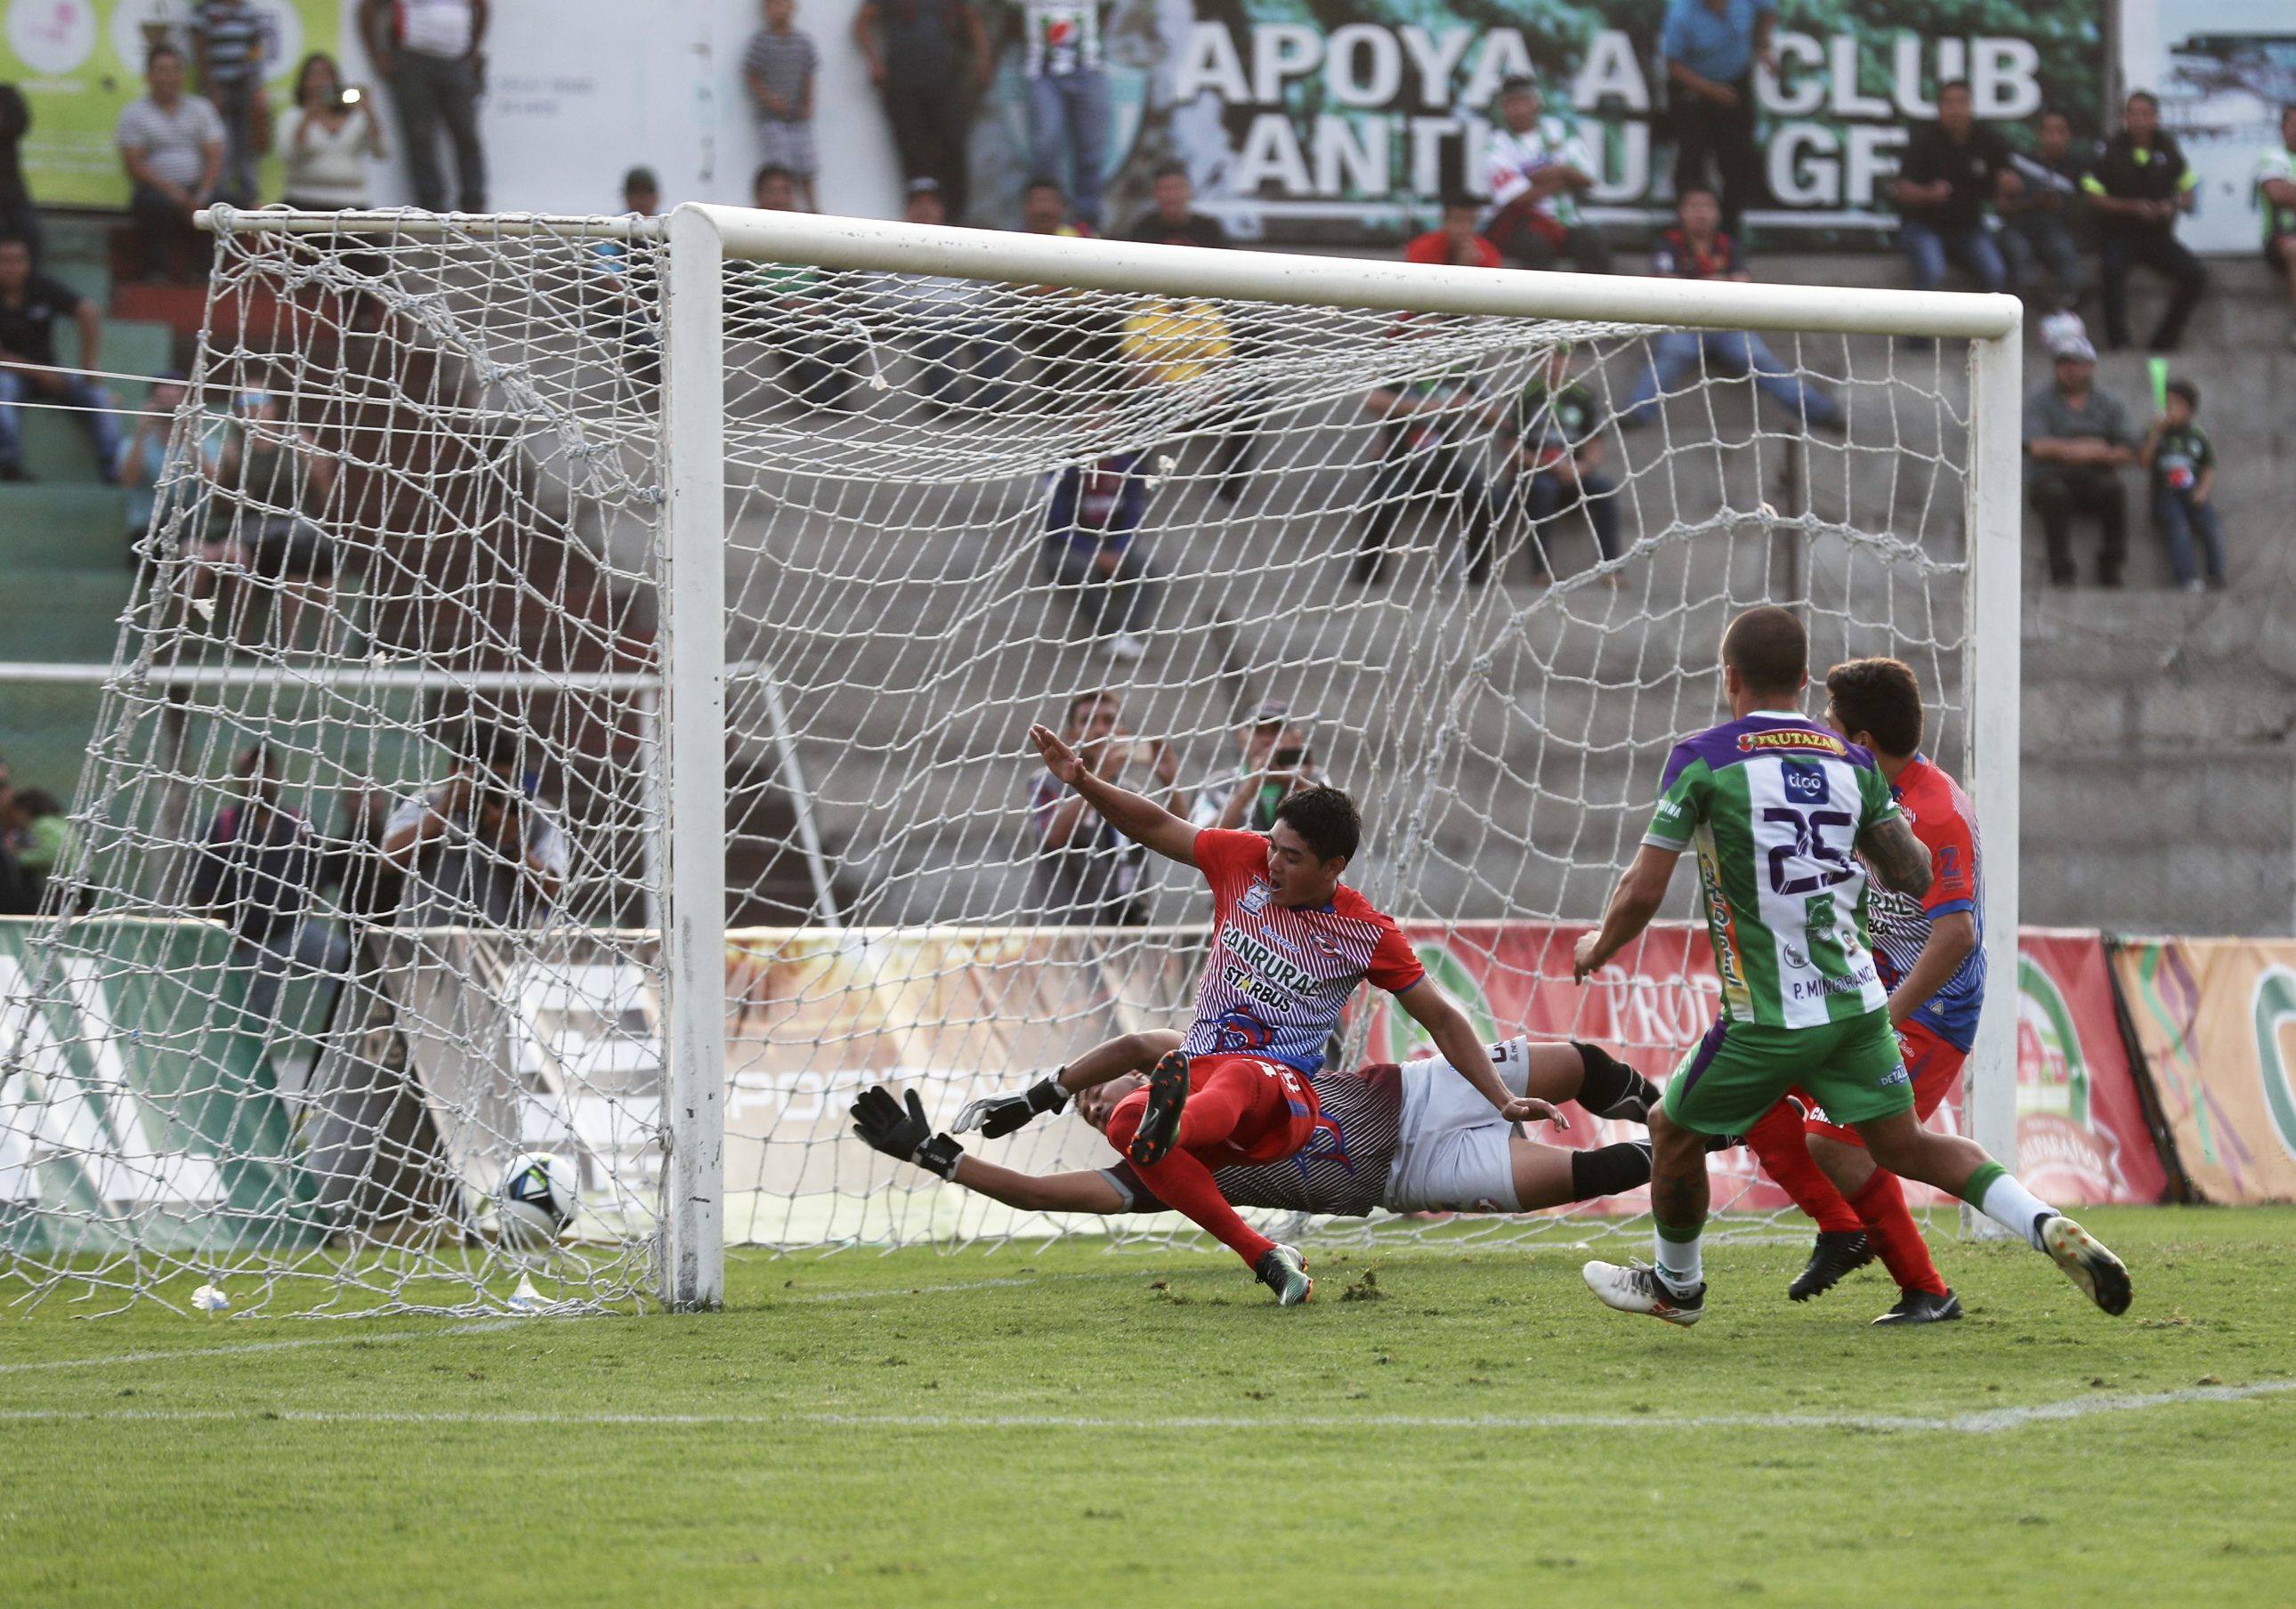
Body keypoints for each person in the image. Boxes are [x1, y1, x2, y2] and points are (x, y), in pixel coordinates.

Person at [1572, 605, 2131, 1326]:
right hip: (1859, 1007)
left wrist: (1598, 947)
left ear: (1729, 678)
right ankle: (2042, 1222)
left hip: (1769, 1015)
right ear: (1804, 680)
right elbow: (1911, 871)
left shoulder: (1703, 757)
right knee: (1907, 1145)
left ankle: (1677, 1288)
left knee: (1670, 1127)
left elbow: (1643, 888)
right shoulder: (1857, 763)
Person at [1014, 728, 1555, 1305]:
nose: (1271, 862)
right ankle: (1265, 1255)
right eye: (1272, 845)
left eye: (1290, 857)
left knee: (1244, 1074)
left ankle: (1172, 1126)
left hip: (1285, 1101)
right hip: (1203, 1079)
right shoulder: (1241, 860)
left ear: (1333, 866)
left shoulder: (1365, 931)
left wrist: (1501, 1098)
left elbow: (1444, 1020)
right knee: (1124, 1121)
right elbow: (1154, 827)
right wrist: (1084, 781)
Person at [1738, 657, 1984, 1324]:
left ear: (1863, 742)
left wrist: (1884, 1017)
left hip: (1928, 1010)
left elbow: (1956, 935)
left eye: (1832, 722)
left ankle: (1932, 1285)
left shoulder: (1934, 811)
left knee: (1841, 1145)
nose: (1822, 730)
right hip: (1859, 993)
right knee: (1750, 1092)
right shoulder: (1857, 792)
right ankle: (1843, 1230)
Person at [853, 1030, 1669, 1225]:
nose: (1102, 1105)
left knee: (1577, 1062)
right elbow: (1033, 1193)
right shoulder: (1152, 1174)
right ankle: (1705, 1140)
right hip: (1399, 1181)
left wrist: (1041, 1095)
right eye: (1093, 1113)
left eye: (1108, 1094)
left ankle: (1683, 1108)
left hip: (1411, 1094)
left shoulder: (1193, 1066)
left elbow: (1141, 1043)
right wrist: (933, 1155)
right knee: (1580, 1179)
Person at [1619, 187, 1842, 432]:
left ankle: (1823, 414)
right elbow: (1664, 282)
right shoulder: (1670, 244)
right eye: (1693, 206)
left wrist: (1698, 284)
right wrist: (1711, 282)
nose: (1700, 213)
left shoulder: (1727, 244)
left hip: (1726, 323)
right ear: (1681, 212)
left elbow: (1742, 283)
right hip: (1683, 322)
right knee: (1673, 355)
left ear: (1717, 213)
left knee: (1759, 360)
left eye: (1706, 206)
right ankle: (1635, 414)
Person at [190, 744, 348, 1023]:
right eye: (251, 771)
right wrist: (230, 937)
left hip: (296, 933)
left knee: (346, 966)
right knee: (247, 1020)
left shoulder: (298, 823)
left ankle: (357, 1035)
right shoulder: (223, 826)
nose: (259, 779)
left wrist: (303, 915)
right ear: (240, 779)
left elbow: (317, 878)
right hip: (248, 943)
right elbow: (202, 892)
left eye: (266, 770)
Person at [380, 724, 568, 929]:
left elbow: (551, 892)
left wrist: (511, 846)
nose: (487, 786)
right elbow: (390, 859)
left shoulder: (536, 814)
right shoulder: (426, 802)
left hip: (509, 946)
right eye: (480, 777)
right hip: (430, 943)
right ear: (454, 770)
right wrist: (443, 811)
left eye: (500, 780)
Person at [1357, 328, 1500, 586]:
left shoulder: (1457, 370)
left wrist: (1469, 404)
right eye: (1422, 330)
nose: (1428, 336)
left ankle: (1475, 580)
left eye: (1435, 330)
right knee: (1383, 504)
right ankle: (1366, 581)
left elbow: (1498, 414)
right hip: (1400, 463)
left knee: (1490, 501)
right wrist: (1429, 407)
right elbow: (1370, 398)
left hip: (1444, 468)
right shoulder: (1401, 367)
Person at [1025, 690, 1181, 925]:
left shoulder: (1133, 792)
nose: (1099, 730)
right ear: (1071, 736)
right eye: (1088, 721)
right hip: (1068, 932)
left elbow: (1179, 839)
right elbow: (1053, 837)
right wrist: (1100, 777)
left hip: (1128, 932)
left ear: (1122, 733)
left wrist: (1171, 783)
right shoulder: (1047, 783)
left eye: (1109, 721)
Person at [214, 388, 340, 649]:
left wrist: (323, 473)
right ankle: (281, 642)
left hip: (299, 523)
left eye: (261, 401)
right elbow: (220, 505)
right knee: (294, 561)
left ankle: (330, 642)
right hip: (257, 528)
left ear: (274, 407)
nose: (254, 409)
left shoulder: (298, 440)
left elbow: (325, 498)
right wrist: (238, 497)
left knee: (320, 560)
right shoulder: (234, 450)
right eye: (245, 403)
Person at [2082, 91, 2206, 352]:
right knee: (2111, 272)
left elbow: (2189, 194)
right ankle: (2120, 343)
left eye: (2145, 115)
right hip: (2119, 234)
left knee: (2196, 275)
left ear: (2156, 118)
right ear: (2125, 118)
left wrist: (2169, 205)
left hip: (2157, 236)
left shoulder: (2168, 149)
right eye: (2133, 115)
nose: (2139, 121)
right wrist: (2131, 207)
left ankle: (2164, 342)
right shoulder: (2109, 149)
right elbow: (2093, 196)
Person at [0, 235, 123, 484]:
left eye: (19, 260)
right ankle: (8, 463)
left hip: (51, 371)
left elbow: (88, 311)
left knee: (97, 396)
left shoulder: (40, 286)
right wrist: (43, 374)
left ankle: (113, 469)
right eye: (5, 261)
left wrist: (89, 363)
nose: (13, 267)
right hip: (11, 373)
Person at [855, 0, 987, 223]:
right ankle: (917, 218)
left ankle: (955, 217)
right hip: (903, 82)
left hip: (946, 79)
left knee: (954, 144)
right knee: (912, 150)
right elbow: (863, 21)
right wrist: (875, 62)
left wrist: (984, 58)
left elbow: (972, 18)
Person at [2024, 334, 2136, 587]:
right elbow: (2035, 446)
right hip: (2049, 475)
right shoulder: (2039, 399)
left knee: (2114, 491)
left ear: (2090, 367)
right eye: (2063, 364)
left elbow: (2130, 449)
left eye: (2075, 364)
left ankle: (2111, 565)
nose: (2069, 371)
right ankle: (2061, 572)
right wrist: (2090, 448)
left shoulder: (2108, 402)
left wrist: (2066, 448)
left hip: (2095, 477)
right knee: (2054, 495)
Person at [743, 164, 856, 410]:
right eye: (771, 191)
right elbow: (739, 291)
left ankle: (824, 398)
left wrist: (816, 306)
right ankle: (828, 401)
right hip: (769, 309)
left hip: (816, 305)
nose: (779, 198)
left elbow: (835, 279)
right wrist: (784, 305)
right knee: (781, 326)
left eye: (784, 190)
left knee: (853, 328)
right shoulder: (742, 232)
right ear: (758, 196)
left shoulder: (811, 230)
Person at [359, 0, 489, 213]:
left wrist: (472, 49)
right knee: (420, 137)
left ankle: (474, 207)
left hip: (455, 60)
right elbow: (369, 8)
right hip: (413, 60)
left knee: (467, 135)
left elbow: (482, 7)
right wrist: (377, 56)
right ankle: (432, 207)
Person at [1661, 0, 1774, 242]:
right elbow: (1672, 65)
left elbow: (1768, 9)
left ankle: (1729, 237)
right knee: (1691, 158)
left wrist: (1763, 44)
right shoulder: (1681, 12)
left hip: (1736, 81)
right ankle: (1684, 238)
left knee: (1738, 161)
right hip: (1691, 86)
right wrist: (1710, 90)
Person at [1506, 343, 1619, 581]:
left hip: (1574, 474)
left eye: (1559, 357)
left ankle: (1612, 567)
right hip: (1535, 474)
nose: (1553, 364)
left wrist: (1582, 468)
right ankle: (1541, 570)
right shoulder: (1524, 397)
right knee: (1543, 489)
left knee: (1604, 488)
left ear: (1570, 361)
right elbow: (1511, 445)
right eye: (1547, 358)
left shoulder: (1583, 396)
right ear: (1537, 362)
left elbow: (1596, 443)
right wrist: (1544, 465)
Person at [1893, 80, 2013, 300]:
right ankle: (1919, 334)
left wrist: (2009, 186)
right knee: (1933, 273)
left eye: (1961, 103)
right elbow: (1902, 191)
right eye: (1948, 104)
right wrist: (1929, 194)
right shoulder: (1924, 139)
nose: (1955, 110)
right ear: (1939, 108)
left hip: (1969, 228)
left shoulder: (1987, 139)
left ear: (1971, 106)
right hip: (1924, 227)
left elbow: (2005, 187)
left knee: (1996, 274)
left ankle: (1981, 334)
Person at [1039, 438, 1157, 660]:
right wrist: (1095, 555)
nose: (1100, 432)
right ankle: (1115, 635)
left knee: (1145, 569)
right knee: (1078, 570)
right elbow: (1057, 524)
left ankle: (1124, 635)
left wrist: (1120, 551)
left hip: (1113, 545)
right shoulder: (1064, 468)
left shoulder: (1128, 466)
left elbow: (1133, 516)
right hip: (1071, 546)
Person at [116, 45, 225, 282]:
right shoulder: (134, 113)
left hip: (197, 188)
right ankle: (158, 272)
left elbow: (215, 155)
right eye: (161, 71)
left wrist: (201, 195)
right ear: (148, 75)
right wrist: (174, 193)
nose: (169, 77)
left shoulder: (201, 109)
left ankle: (206, 272)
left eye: (175, 70)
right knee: (156, 205)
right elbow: (134, 165)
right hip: (156, 191)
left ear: (183, 75)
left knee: (222, 205)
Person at [1481, 78, 1608, 273]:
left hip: (1567, 221)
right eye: (1512, 103)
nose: (1520, 109)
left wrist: (1551, 173)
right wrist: (1563, 178)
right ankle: (1540, 304)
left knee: (1593, 241)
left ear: (1536, 103)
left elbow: (1588, 177)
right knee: (1534, 246)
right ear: (1504, 108)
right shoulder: (1497, 144)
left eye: (1524, 101)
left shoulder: (1560, 131)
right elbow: (1516, 198)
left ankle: (1602, 303)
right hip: (1525, 223)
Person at [1020, 0, 1110, 228]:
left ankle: (1086, 221)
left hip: (1087, 66)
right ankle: (1043, 217)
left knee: (1091, 147)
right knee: (1048, 141)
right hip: (1043, 69)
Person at [2140, 378, 2226, 592]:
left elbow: (2208, 467)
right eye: (2168, 404)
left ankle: (2216, 576)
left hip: (2193, 494)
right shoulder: (2154, 433)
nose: (2172, 410)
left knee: (2213, 528)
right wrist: (2156, 433)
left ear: (2190, 411)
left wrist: (2203, 491)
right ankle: (2186, 579)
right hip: (2166, 497)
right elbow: (2143, 462)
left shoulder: (2197, 435)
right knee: (2180, 527)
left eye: (2178, 405)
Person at [2000, 107, 2088, 311]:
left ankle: (2073, 304)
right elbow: (2001, 208)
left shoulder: (2078, 166)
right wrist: (2033, 203)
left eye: (2060, 132)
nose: (2054, 137)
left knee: (2064, 253)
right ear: (2040, 134)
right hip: (2018, 227)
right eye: (2049, 131)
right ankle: (2038, 300)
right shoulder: (2019, 162)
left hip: (2052, 229)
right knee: (2019, 255)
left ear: (2069, 136)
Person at [190, 0, 277, 204]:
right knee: (221, 142)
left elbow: (254, 50)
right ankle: (218, 194)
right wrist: (211, 88)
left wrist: (256, 87)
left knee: (246, 140)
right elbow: (199, 51)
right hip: (218, 85)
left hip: (244, 85)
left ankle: (250, 194)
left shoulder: (249, 11)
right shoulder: (205, 10)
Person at [1189, 703, 1321, 834]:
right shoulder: (1217, 786)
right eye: (1259, 731)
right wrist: (1250, 787)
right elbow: (1199, 839)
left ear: (1297, 739)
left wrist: (1297, 785)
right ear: (1241, 739)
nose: (1267, 740)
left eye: (1276, 731)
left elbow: (1327, 835)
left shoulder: (1315, 779)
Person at [279, 53, 387, 209]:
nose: (320, 82)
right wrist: (307, 118)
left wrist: (369, 111)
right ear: (303, 82)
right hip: (303, 201)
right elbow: (289, 155)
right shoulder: (293, 116)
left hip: (352, 202)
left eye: (325, 74)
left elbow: (381, 151)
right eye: (314, 75)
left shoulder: (356, 118)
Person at [744, 0, 820, 214]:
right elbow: (751, 74)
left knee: (807, 165)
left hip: (798, 116)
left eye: (785, 4)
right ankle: (780, 210)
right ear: (766, 10)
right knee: (780, 167)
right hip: (773, 117)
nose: (781, 9)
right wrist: (770, 99)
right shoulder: (761, 42)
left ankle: (812, 208)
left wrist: (809, 102)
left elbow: (809, 74)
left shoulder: (803, 42)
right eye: (775, 5)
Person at [2255, 105, 2296, 351]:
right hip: (2281, 238)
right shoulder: (2273, 156)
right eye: (2293, 125)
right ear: (2283, 130)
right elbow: (2276, 192)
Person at [0, 83, 41, 263]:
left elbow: (19, 122)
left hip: (11, 193)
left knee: (31, 235)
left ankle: (25, 288)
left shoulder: (6, 93)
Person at [1405, 192, 1500, 269]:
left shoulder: (1487, 252)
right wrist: (1460, 268)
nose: (1464, 228)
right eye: (1457, 221)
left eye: (1470, 221)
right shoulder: (1422, 248)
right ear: (1445, 220)